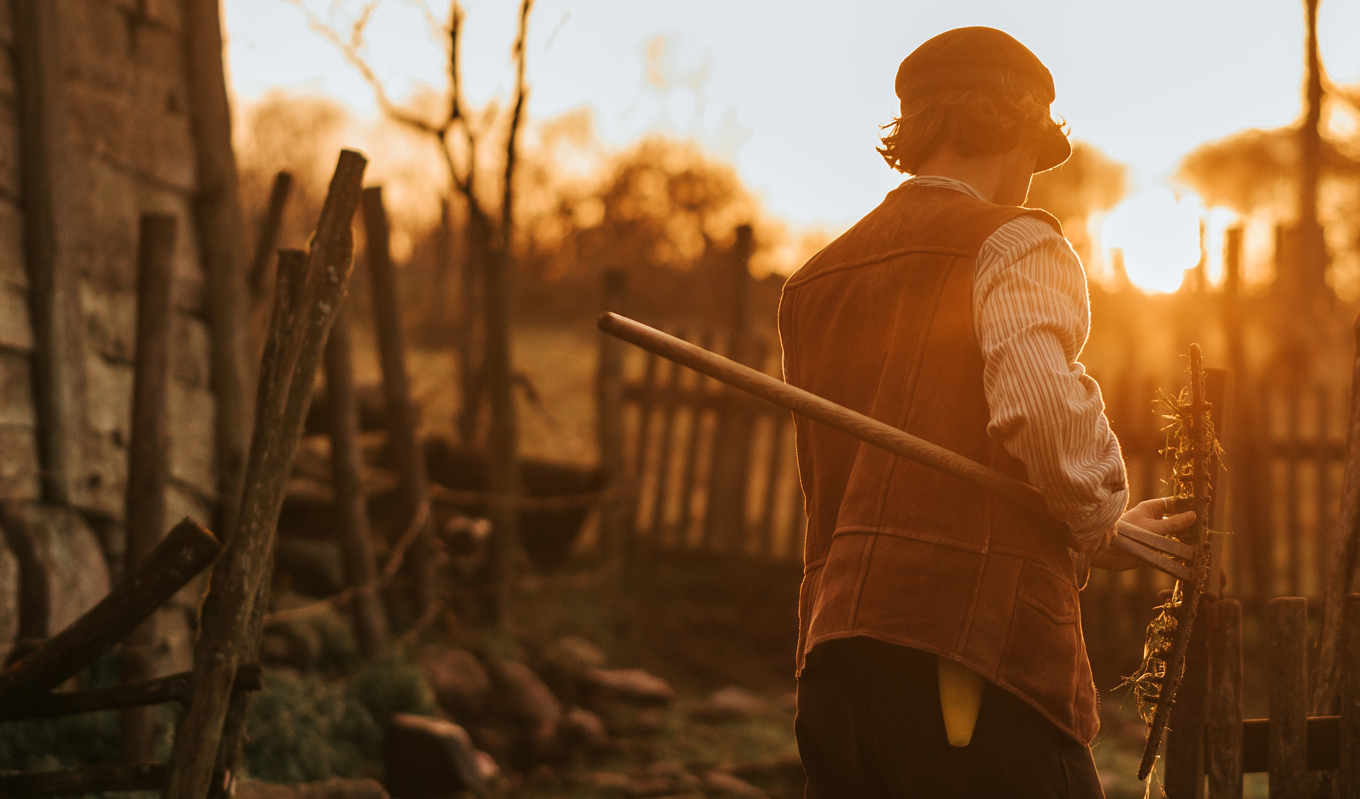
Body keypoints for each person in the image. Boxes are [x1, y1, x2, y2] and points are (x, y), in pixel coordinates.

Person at [779, 27, 1196, 798]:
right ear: (1011, 131)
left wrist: (1093, 534)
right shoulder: (1013, 241)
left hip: (837, 673)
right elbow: (1043, 416)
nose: (1030, 181)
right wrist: (1099, 509)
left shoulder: (813, 280)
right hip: (970, 665)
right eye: (1034, 155)